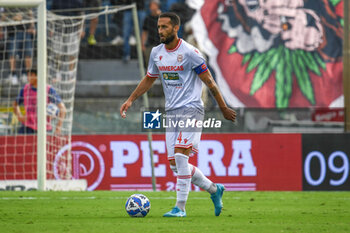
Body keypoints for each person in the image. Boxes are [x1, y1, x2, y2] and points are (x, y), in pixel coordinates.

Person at [120, 12, 236, 217]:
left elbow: (210, 82)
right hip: (172, 112)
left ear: (176, 28)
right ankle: (214, 189)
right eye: (158, 27)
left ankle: (180, 208)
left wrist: (223, 107)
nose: (160, 31)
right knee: (175, 165)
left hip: (191, 109)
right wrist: (130, 99)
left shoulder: (191, 53)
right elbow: (149, 78)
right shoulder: (156, 53)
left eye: (164, 27)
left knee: (181, 158)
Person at [13, 69, 66, 135]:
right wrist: (19, 116)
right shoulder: (25, 89)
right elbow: (15, 104)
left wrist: (58, 127)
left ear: (37, 76)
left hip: (44, 128)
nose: (28, 78)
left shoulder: (49, 89)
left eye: (31, 75)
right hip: (27, 126)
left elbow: (62, 108)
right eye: (27, 75)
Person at [3, 8, 35, 85]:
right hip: (13, 32)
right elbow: (3, 17)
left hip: (25, 31)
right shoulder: (8, 3)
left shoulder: (26, 3)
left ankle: (26, 75)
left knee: (28, 53)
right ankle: (13, 75)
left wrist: (32, 27)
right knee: (12, 54)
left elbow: (30, 14)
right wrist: (13, 19)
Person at [142, 0, 161, 67]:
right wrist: (143, 44)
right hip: (150, 45)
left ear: (158, 6)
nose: (153, 7)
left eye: (155, 5)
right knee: (149, 66)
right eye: (152, 5)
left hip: (161, 45)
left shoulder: (162, 18)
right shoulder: (147, 18)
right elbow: (144, 32)